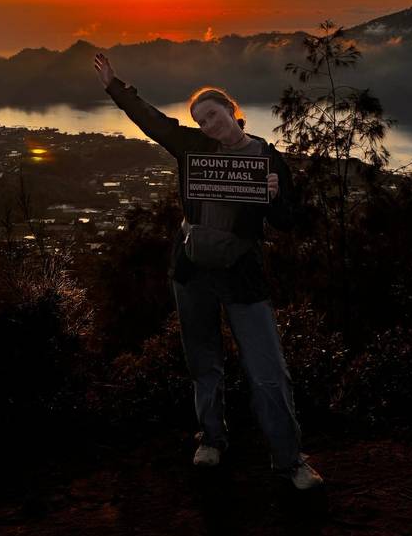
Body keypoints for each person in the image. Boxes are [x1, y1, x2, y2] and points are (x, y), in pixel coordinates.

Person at [94, 51, 323, 491]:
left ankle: (291, 460)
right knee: (203, 362)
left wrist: (275, 196)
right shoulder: (194, 148)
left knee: (268, 370)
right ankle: (212, 439)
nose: (208, 126)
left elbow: (289, 223)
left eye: (213, 116)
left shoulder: (268, 159)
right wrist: (114, 87)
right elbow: (152, 121)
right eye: (200, 120)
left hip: (241, 273)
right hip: (193, 270)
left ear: (232, 112)